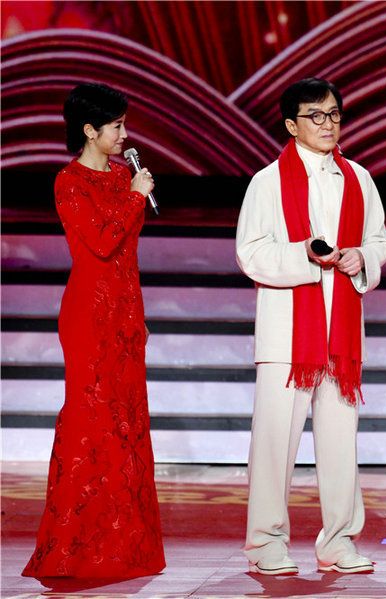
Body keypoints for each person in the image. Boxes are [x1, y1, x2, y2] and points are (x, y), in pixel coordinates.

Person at [236, 77, 386, 576]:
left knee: (340, 442)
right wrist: (304, 254)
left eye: (334, 114)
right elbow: (250, 253)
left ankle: (339, 540)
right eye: (316, 116)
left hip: (341, 334)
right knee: (274, 444)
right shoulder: (266, 182)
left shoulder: (358, 177)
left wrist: (361, 257)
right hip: (288, 335)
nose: (328, 124)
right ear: (291, 124)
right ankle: (266, 543)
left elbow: (380, 241)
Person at [22, 83, 164, 578]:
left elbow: (126, 253)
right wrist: (135, 197)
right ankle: (73, 548)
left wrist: (136, 315)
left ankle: (124, 546)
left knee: (126, 425)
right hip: (89, 313)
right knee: (90, 421)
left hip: (125, 309)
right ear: (89, 130)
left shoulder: (123, 174)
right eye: (116, 126)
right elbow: (101, 242)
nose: (124, 135)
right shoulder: (69, 182)